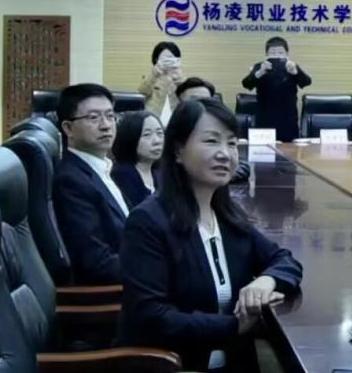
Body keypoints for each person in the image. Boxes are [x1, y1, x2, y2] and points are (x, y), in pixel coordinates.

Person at [120, 99, 303, 371]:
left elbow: (285, 261)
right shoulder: (148, 222)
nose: (225, 154)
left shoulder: (228, 216)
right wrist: (235, 325)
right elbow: (152, 317)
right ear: (178, 150)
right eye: (211, 141)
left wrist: (266, 281)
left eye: (232, 143)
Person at [53, 83, 132, 284]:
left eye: (110, 116)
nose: (106, 125)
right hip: (123, 292)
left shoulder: (103, 168)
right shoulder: (70, 181)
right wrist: (156, 268)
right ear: (68, 128)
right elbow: (96, 263)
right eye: (94, 118)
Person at [240, 36, 311, 142]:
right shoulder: (260, 66)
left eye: (280, 53)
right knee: (263, 149)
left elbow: (306, 82)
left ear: (287, 54)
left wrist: (296, 72)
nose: (276, 55)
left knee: (289, 150)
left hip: (288, 120)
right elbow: (246, 84)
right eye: (272, 53)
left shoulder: (291, 66)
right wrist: (260, 72)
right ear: (266, 54)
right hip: (264, 119)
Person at [111, 111, 164, 208]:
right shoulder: (121, 175)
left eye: (160, 133)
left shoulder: (160, 173)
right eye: (147, 135)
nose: (157, 141)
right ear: (131, 138)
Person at [139, 41, 185, 126]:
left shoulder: (180, 77)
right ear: (156, 60)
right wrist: (154, 73)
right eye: (164, 58)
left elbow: (187, 98)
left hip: (176, 121)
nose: (167, 61)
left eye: (170, 58)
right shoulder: (151, 76)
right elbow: (143, 91)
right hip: (153, 120)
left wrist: (179, 78)